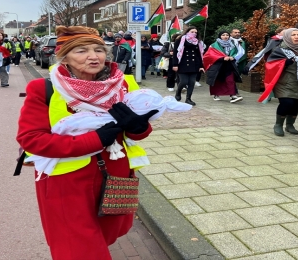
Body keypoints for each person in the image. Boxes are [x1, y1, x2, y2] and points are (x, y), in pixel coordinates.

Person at [17, 25, 154, 259]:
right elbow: (31, 139)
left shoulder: (124, 85)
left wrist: (140, 128)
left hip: (116, 178)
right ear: (65, 57)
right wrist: (95, 140)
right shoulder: (45, 89)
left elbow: (133, 134)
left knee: (104, 236)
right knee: (78, 249)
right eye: (81, 51)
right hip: (66, 184)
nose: (93, 56)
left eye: (98, 50)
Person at [259, 28, 298, 136]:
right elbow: (270, 64)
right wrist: (284, 63)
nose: (296, 37)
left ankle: (290, 125)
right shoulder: (280, 50)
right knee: (287, 102)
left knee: (295, 104)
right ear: (287, 36)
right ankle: (278, 125)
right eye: (293, 35)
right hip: (284, 81)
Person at [204, 30, 243, 103]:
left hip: (229, 65)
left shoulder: (232, 45)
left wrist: (233, 57)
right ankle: (216, 94)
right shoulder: (214, 45)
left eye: (227, 35)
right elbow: (210, 55)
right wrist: (222, 58)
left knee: (230, 80)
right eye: (223, 35)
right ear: (220, 36)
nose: (225, 36)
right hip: (218, 66)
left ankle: (233, 95)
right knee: (217, 80)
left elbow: (236, 53)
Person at [172, 27, 204, 105]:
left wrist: (201, 66)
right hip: (182, 63)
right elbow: (175, 53)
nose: (194, 33)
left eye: (195, 32)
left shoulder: (198, 42)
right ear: (187, 32)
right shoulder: (180, 40)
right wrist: (175, 64)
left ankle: (188, 98)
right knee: (183, 81)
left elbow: (199, 54)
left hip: (194, 64)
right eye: (192, 31)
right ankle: (178, 92)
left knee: (191, 82)